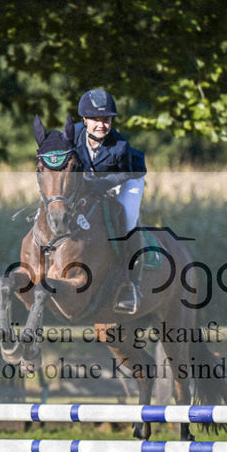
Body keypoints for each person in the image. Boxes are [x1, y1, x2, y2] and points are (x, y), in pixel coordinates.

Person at [73, 89, 147, 314]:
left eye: (106, 120)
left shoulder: (119, 145)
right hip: (93, 180)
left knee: (128, 219)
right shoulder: (70, 136)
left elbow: (123, 174)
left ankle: (131, 284)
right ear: (84, 120)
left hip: (128, 178)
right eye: (95, 120)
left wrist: (100, 184)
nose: (101, 125)